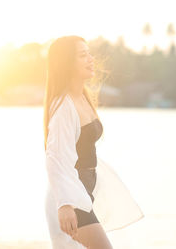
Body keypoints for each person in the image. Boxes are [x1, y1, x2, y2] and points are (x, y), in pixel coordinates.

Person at [43, 35, 144, 249]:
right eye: (82, 55)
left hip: (82, 191)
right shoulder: (63, 106)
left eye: (89, 53)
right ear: (67, 63)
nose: (90, 59)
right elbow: (55, 158)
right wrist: (65, 204)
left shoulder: (82, 97)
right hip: (69, 196)